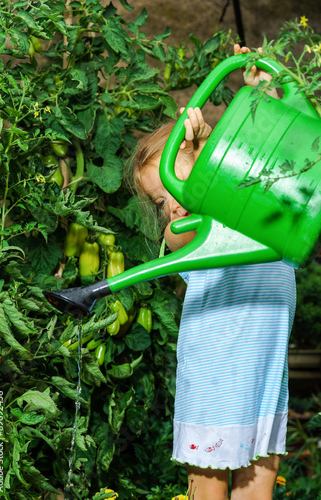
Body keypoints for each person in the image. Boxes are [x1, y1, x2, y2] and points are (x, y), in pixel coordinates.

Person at [131, 45, 296, 500]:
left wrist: (260, 92)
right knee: (208, 494)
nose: (174, 203)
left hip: (264, 372)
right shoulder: (184, 235)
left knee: (256, 493)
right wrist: (192, 174)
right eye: (160, 201)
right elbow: (189, 229)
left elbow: (277, 154)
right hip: (215, 376)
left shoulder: (247, 200)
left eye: (176, 182)